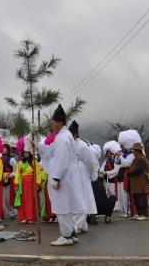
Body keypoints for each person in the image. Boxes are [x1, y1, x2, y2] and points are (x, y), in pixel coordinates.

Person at [37, 104, 87, 246]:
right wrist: (38, 146)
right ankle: (71, 233)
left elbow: (63, 160)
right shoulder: (62, 137)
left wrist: (56, 177)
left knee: (62, 207)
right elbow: (52, 151)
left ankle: (66, 235)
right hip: (64, 177)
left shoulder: (64, 138)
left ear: (59, 123)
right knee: (65, 206)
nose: (52, 125)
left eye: (53, 123)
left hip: (62, 178)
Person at [68, 121, 97, 234]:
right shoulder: (69, 144)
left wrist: (90, 174)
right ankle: (83, 224)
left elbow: (89, 162)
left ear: (75, 134)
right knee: (78, 197)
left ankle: (78, 225)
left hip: (81, 173)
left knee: (81, 198)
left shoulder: (82, 145)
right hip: (73, 173)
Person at [13, 135, 41, 224]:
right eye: (24, 152)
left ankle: (31, 217)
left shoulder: (34, 162)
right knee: (23, 200)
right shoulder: (20, 162)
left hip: (31, 182)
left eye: (27, 152)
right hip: (23, 183)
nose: (25, 154)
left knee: (31, 200)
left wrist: (37, 184)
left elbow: (38, 173)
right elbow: (17, 173)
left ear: (30, 153)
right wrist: (17, 184)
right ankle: (24, 217)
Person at [116, 130, 141, 218]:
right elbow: (118, 164)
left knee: (125, 193)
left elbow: (127, 163)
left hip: (127, 175)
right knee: (121, 194)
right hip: (121, 175)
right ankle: (123, 210)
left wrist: (120, 156)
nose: (122, 146)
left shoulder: (131, 154)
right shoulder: (125, 153)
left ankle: (127, 210)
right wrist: (119, 156)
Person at [127, 143, 149, 221]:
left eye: (134, 150)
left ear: (138, 151)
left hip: (141, 182)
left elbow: (138, 171)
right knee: (137, 199)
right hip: (136, 183)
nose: (133, 152)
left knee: (141, 199)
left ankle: (145, 215)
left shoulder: (141, 159)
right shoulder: (136, 159)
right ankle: (139, 214)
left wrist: (129, 173)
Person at [2, 143, 17, 219]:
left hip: (9, 181)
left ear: (8, 150)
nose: (2, 149)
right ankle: (1, 213)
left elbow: (15, 171)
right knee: (2, 198)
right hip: (0, 181)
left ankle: (13, 213)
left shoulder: (12, 159)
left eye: (4, 148)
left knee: (9, 198)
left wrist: (9, 175)